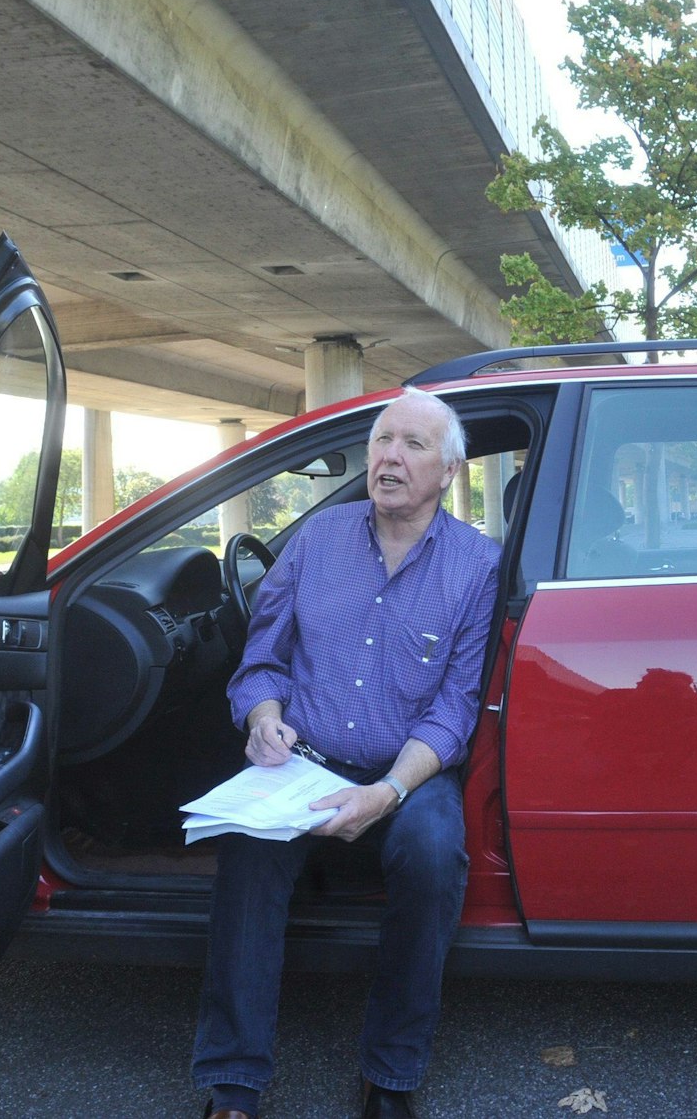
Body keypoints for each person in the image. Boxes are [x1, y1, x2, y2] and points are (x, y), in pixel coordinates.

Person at [193, 387, 501, 1119]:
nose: (389, 457)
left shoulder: (476, 566)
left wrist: (387, 793)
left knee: (431, 856)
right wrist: (264, 720)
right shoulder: (317, 540)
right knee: (245, 846)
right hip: (306, 760)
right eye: (381, 441)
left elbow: (456, 708)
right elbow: (262, 659)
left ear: (449, 471)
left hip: (409, 771)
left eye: (413, 445)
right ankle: (233, 1083)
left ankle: (390, 1073)